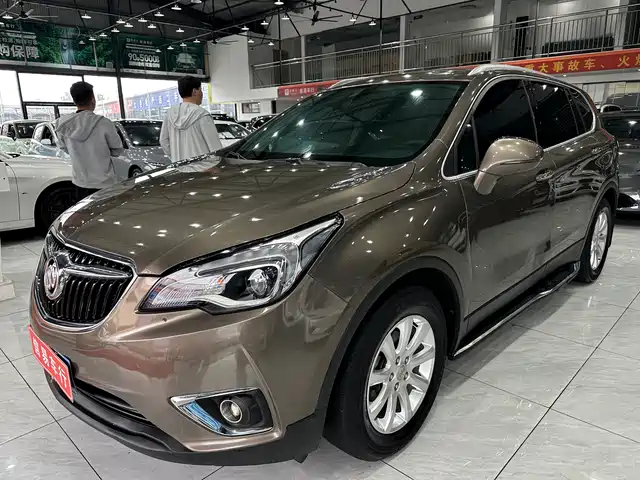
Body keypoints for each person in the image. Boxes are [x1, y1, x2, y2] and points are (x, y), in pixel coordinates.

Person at [56, 81, 124, 200]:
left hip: (80, 182)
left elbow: (63, 147)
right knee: (106, 212)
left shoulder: (63, 124)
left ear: (74, 101)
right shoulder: (104, 123)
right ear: (92, 99)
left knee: (85, 211)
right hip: (104, 183)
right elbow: (117, 150)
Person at [160, 75, 222, 162]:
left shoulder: (170, 114)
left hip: (180, 167)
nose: (202, 93)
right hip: (204, 168)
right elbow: (215, 147)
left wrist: (175, 158)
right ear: (194, 91)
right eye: (200, 90)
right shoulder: (202, 115)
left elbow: (163, 141)